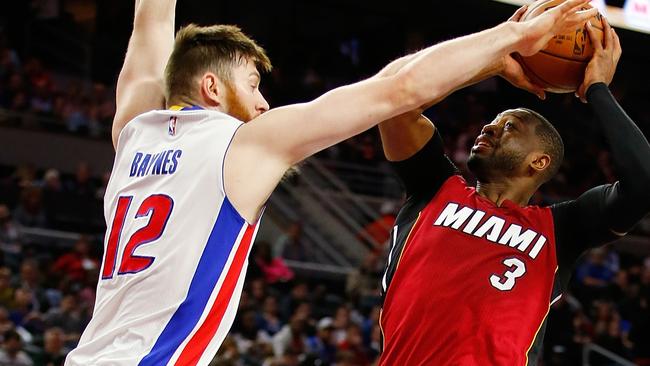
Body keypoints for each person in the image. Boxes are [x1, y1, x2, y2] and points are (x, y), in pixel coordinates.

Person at [65, 0, 598, 364]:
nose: (263, 103)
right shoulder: (243, 145)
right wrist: (514, 36)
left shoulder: (133, 131)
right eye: (252, 85)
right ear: (210, 87)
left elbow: (150, 28)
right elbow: (398, 89)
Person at [376, 11, 650, 366]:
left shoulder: (561, 230)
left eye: (510, 127)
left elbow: (644, 182)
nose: (488, 129)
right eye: (491, 123)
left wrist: (596, 89)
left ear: (539, 161)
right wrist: (493, 58)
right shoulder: (434, 186)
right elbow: (393, 95)